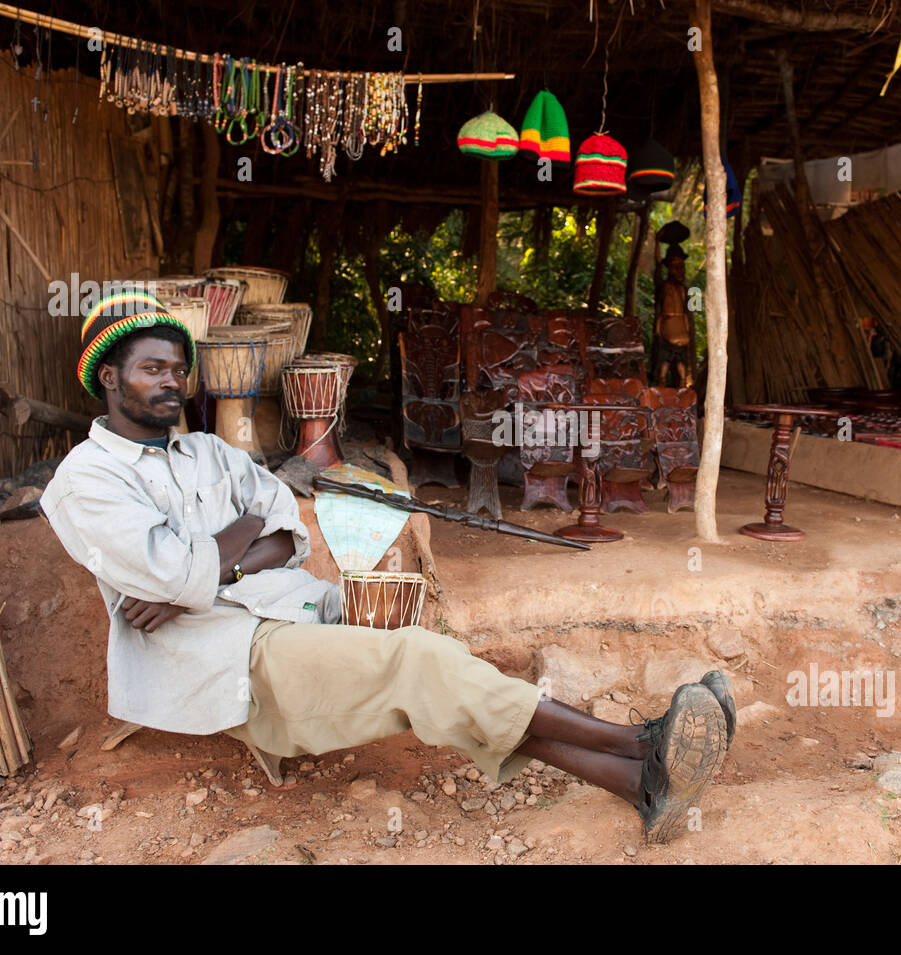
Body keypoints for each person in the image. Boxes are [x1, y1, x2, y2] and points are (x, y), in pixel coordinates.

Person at [39, 290, 736, 844]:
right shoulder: (86, 479)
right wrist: (225, 551)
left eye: (175, 368)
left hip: (291, 610)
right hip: (226, 658)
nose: (171, 382)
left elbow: (285, 533)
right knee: (419, 662)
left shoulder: (207, 454)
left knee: (434, 675)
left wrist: (210, 565)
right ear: (109, 377)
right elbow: (181, 569)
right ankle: (642, 739)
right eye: (151, 369)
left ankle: (641, 780)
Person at [652, 244, 695, 389]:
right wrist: (657, 243)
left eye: (681, 266)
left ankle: (683, 388)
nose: (679, 270)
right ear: (669, 268)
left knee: (682, 364)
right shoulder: (663, 286)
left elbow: (692, 311)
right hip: (667, 329)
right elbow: (657, 269)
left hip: (682, 330)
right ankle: (661, 389)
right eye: (675, 266)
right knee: (664, 364)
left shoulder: (686, 289)